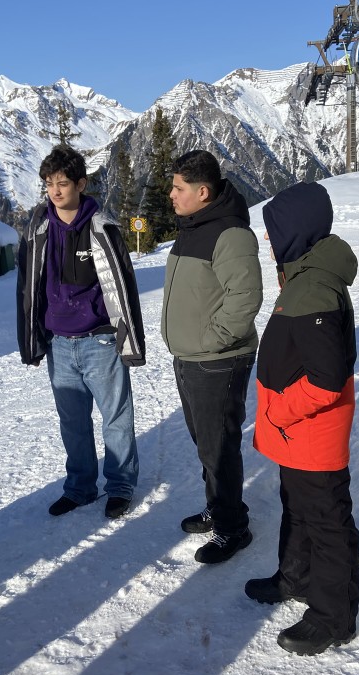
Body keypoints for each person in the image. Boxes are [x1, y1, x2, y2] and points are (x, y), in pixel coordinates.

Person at [248, 182, 359, 656]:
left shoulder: (314, 287)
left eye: (274, 229)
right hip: (297, 433)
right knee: (297, 508)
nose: (269, 239)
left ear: (297, 230)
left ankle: (333, 618)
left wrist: (278, 412)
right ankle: (294, 578)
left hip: (310, 431)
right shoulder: (303, 277)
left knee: (327, 522)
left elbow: (326, 379)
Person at [16, 145, 145, 520]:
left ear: (81, 184)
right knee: (73, 424)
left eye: (62, 183)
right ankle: (80, 488)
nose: (55, 191)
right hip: (58, 343)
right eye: (49, 184)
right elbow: (27, 289)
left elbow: (124, 286)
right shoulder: (38, 230)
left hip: (99, 340)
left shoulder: (102, 228)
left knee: (116, 419)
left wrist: (130, 341)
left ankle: (119, 487)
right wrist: (31, 340)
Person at [161, 149, 262, 564]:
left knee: (220, 447)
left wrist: (212, 339)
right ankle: (219, 507)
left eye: (178, 188)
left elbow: (245, 298)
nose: (171, 195)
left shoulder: (231, 234)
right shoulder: (193, 227)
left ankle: (232, 528)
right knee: (207, 445)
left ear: (202, 192)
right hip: (191, 357)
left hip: (217, 359)